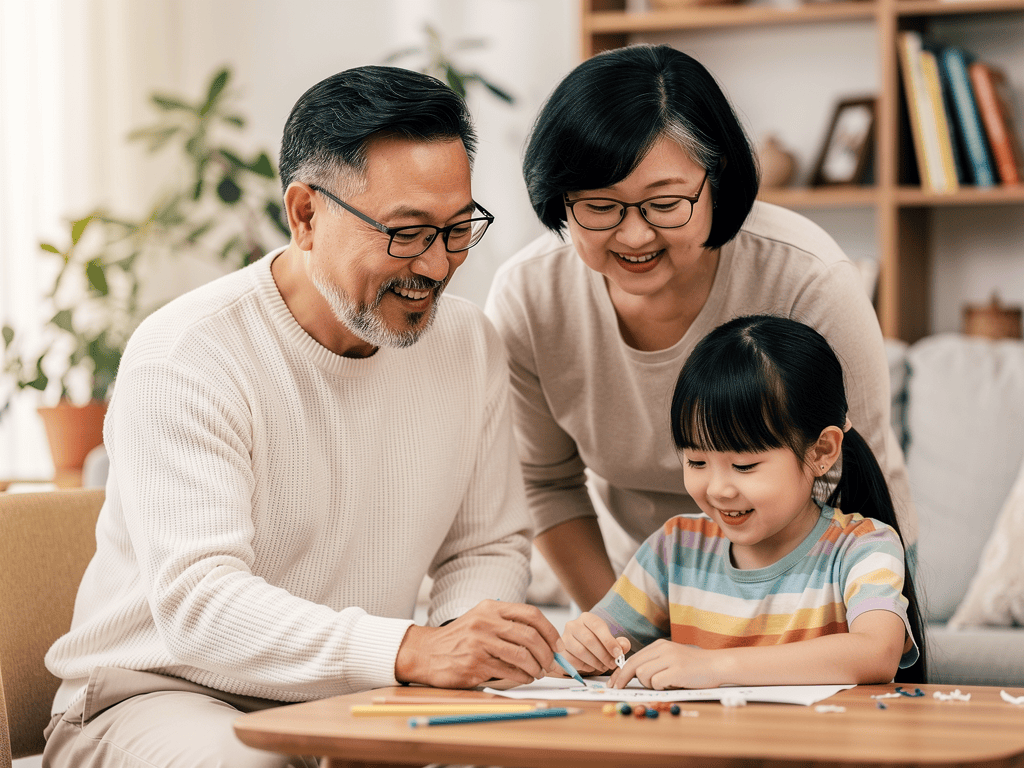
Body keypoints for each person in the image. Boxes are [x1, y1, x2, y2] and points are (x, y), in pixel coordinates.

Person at [43, 65, 562, 768]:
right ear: (306, 215)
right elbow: (200, 605)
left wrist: (464, 647)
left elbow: (486, 545)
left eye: (456, 229)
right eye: (408, 233)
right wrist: (410, 651)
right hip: (156, 695)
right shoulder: (188, 354)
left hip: (353, 699)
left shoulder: (468, 342)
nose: (438, 267)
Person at [484, 43, 917, 611]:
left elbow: (854, 476)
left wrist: (753, 633)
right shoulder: (529, 298)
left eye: (665, 203)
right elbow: (547, 484)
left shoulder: (808, 281)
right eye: (600, 206)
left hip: (820, 588)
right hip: (647, 586)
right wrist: (619, 627)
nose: (634, 236)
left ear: (718, 180)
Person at [560, 315, 926, 689]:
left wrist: (715, 666)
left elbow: (877, 651)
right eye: (696, 461)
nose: (719, 489)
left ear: (821, 451)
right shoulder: (675, 548)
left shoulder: (862, 547)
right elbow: (590, 650)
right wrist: (581, 648)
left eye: (744, 465)